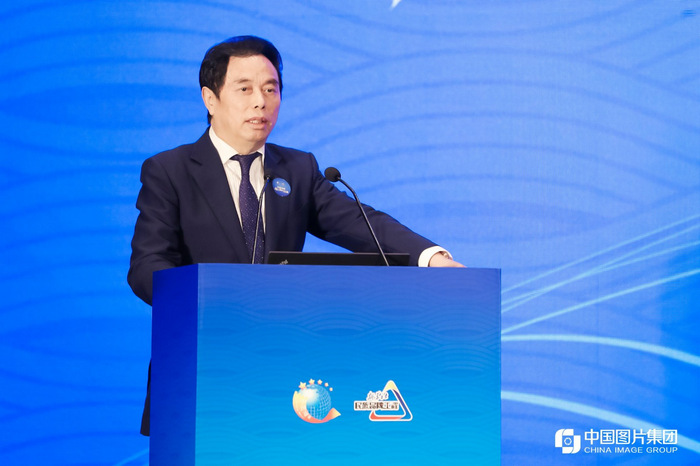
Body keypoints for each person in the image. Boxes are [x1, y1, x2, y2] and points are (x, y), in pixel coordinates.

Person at [128, 35, 463, 435]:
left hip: (281, 374)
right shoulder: (171, 171)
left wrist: (431, 258)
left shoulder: (297, 170)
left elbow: (361, 223)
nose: (260, 102)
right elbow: (146, 266)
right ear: (210, 99)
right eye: (245, 89)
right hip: (200, 370)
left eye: (271, 89)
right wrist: (208, 297)